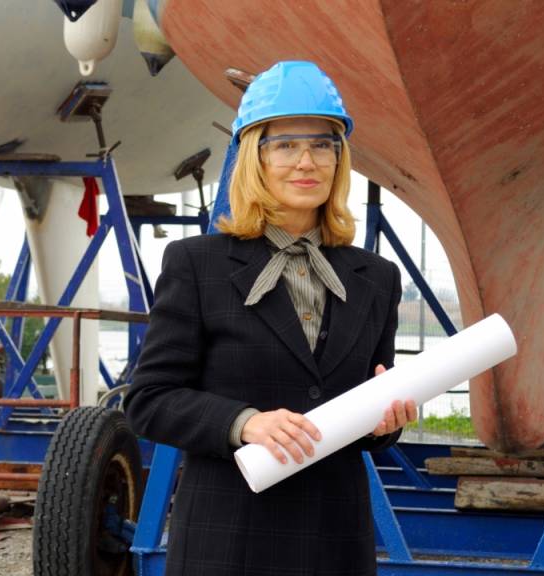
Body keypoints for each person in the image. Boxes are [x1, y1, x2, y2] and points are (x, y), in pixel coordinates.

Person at [123, 61, 418, 576]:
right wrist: (245, 423)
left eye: (323, 144)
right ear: (253, 157)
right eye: (285, 144)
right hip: (229, 540)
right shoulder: (198, 264)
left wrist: (386, 423)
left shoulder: (376, 278)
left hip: (335, 542)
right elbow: (149, 401)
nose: (306, 160)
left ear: (340, 158)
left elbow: (365, 408)